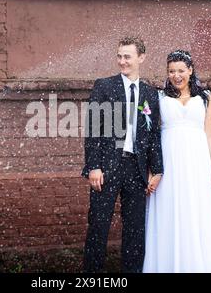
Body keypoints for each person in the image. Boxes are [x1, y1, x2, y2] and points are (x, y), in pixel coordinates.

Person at [82, 36, 163, 273]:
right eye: (119, 56)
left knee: (135, 229)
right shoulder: (104, 86)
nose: (122, 61)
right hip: (106, 168)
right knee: (98, 225)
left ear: (141, 57)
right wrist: (93, 166)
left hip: (136, 170)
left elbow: (153, 134)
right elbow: (93, 128)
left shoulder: (150, 93)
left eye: (127, 56)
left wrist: (156, 170)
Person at [143, 50, 211, 273]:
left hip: (198, 163)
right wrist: (153, 169)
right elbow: (151, 135)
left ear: (190, 70)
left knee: (196, 212)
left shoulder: (206, 97)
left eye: (180, 70)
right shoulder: (159, 98)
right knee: (170, 210)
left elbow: (209, 134)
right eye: (171, 71)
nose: (176, 75)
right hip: (169, 164)